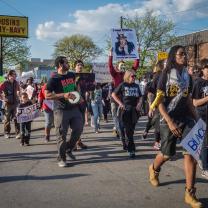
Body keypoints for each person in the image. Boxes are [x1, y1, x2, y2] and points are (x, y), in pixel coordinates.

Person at [148, 45, 203, 208]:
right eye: (181, 54)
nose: (184, 56)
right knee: (167, 154)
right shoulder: (164, 75)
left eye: (185, 54)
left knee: (190, 154)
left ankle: (190, 192)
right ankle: (154, 168)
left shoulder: (188, 76)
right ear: (173, 56)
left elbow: (188, 101)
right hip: (168, 118)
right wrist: (170, 123)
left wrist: (198, 119)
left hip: (186, 118)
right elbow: (158, 103)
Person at [45, 56, 83, 168]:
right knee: (62, 135)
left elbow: (76, 87)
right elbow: (47, 95)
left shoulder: (71, 74)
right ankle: (62, 158)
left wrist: (78, 96)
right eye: (66, 62)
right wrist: (63, 95)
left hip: (74, 107)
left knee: (78, 129)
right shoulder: (54, 78)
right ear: (61, 65)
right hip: (61, 110)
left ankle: (68, 149)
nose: (69, 64)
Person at [108, 48, 139, 142]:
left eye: (124, 65)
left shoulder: (128, 74)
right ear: (117, 67)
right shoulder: (115, 74)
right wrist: (110, 55)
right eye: (121, 65)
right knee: (116, 117)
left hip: (125, 100)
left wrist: (137, 55)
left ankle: (125, 132)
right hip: (115, 99)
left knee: (125, 119)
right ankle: (120, 132)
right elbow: (110, 66)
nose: (123, 67)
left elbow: (135, 66)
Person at [112, 70, 142, 158]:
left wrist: (139, 104)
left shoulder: (136, 86)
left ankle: (129, 146)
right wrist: (120, 103)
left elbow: (140, 96)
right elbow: (113, 94)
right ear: (128, 76)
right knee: (122, 129)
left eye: (135, 76)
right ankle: (130, 148)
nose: (134, 78)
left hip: (134, 110)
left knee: (130, 130)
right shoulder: (123, 85)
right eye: (132, 76)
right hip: (124, 110)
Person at [192, 58, 208, 179]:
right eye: (207, 68)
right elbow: (195, 103)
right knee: (204, 142)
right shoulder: (198, 83)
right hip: (201, 115)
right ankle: (205, 167)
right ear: (202, 70)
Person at [0, 70, 20, 139]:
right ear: (8, 76)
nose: (13, 76)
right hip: (7, 104)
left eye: (14, 75)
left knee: (17, 118)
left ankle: (18, 133)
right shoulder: (5, 83)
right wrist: (3, 98)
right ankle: (7, 133)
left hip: (15, 103)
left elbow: (19, 91)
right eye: (12, 75)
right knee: (7, 119)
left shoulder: (16, 83)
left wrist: (19, 95)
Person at [74, 60, 88, 149]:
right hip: (74, 103)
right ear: (75, 67)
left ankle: (78, 141)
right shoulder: (71, 76)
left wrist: (92, 85)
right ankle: (74, 143)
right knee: (75, 124)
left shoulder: (85, 77)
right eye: (78, 65)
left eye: (81, 65)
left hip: (83, 103)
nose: (80, 66)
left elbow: (88, 87)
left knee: (82, 124)